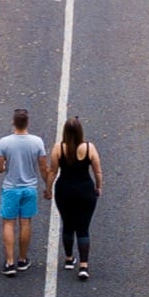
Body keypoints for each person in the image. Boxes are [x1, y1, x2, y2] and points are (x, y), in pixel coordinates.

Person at [45, 115, 102, 280]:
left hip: (65, 190)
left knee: (68, 225)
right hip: (85, 191)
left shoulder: (58, 148)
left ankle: (69, 259)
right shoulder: (89, 148)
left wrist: (48, 189)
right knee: (83, 228)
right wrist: (98, 186)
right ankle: (84, 265)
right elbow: (97, 171)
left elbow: (53, 171)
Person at [0, 108, 49, 275]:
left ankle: (10, 262)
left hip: (11, 188)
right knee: (25, 222)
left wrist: (5, 166)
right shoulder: (37, 142)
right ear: (28, 123)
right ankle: (22, 259)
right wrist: (48, 187)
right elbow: (43, 167)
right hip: (29, 188)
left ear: (13, 123)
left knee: (8, 223)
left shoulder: (4, 142)